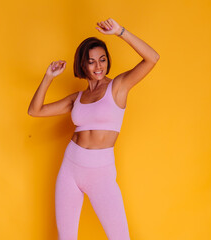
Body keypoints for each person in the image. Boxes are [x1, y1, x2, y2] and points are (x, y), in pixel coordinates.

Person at [28, 18, 159, 240]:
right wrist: (48, 77)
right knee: (66, 236)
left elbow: (152, 58)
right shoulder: (77, 98)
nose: (98, 66)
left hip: (101, 172)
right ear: (83, 65)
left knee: (120, 237)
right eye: (91, 61)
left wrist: (121, 32)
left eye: (102, 60)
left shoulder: (118, 87)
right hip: (70, 168)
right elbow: (35, 110)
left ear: (108, 61)